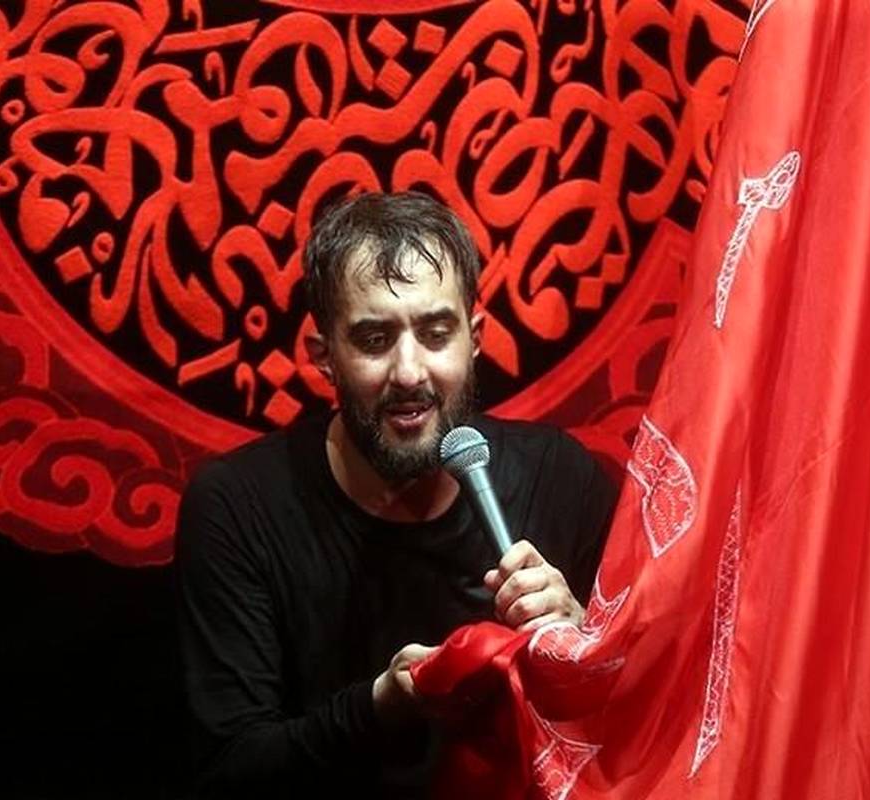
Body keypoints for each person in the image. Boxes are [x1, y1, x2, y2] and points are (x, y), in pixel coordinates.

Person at [174, 192, 617, 798]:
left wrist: (583, 646)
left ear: (475, 339)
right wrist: (381, 705)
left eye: (436, 334)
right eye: (375, 340)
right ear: (324, 356)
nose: (409, 372)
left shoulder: (560, 479)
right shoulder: (237, 507)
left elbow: (646, 714)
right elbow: (229, 770)